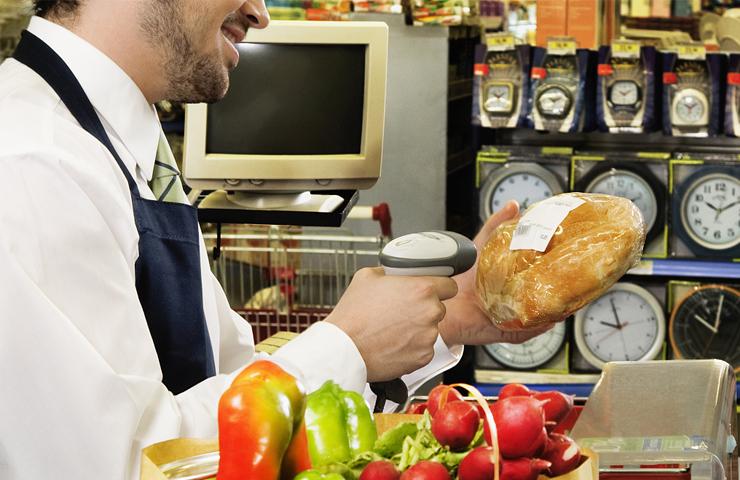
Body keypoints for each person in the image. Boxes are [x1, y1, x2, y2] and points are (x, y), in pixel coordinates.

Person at [0, 1, 540, 479]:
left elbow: (230, 380)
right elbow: (121, 461)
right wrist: (347, 344)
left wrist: (445, 317)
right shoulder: (32, 160)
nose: (260, 14)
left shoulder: (115, 144)